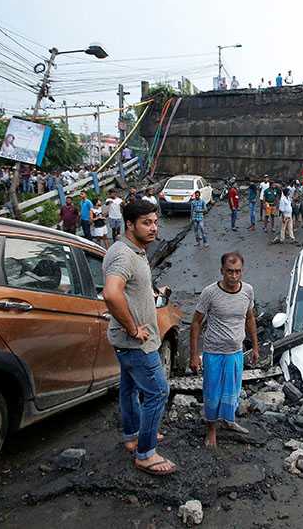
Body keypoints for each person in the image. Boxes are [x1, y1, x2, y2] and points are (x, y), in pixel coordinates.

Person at [102, 199, 176, 476]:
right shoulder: (124, 255)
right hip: (136, 343)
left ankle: (133, 437)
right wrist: (133, 328)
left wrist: (154, 295)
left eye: (155, 222)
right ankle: (146, 454)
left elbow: (130, 289)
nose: (154, 228)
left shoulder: (132, 250)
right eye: (147, 222)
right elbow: (111, 293)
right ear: (129, 224)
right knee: (158, 391)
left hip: (128, 341)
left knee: (130, 389)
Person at [189, 252, 259, 448]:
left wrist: (255, 346)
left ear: (242, 271)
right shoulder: (210, 293)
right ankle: (211, 429)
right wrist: (194, 355)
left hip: (235, 352)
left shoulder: (248, 291)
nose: (233, 276)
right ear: (222, 271)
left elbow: (250, 318)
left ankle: (229, 420)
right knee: (212, 393)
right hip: (213, 353)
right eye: (229, 271)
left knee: (233, 391)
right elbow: (196, 322)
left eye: (238, 272)